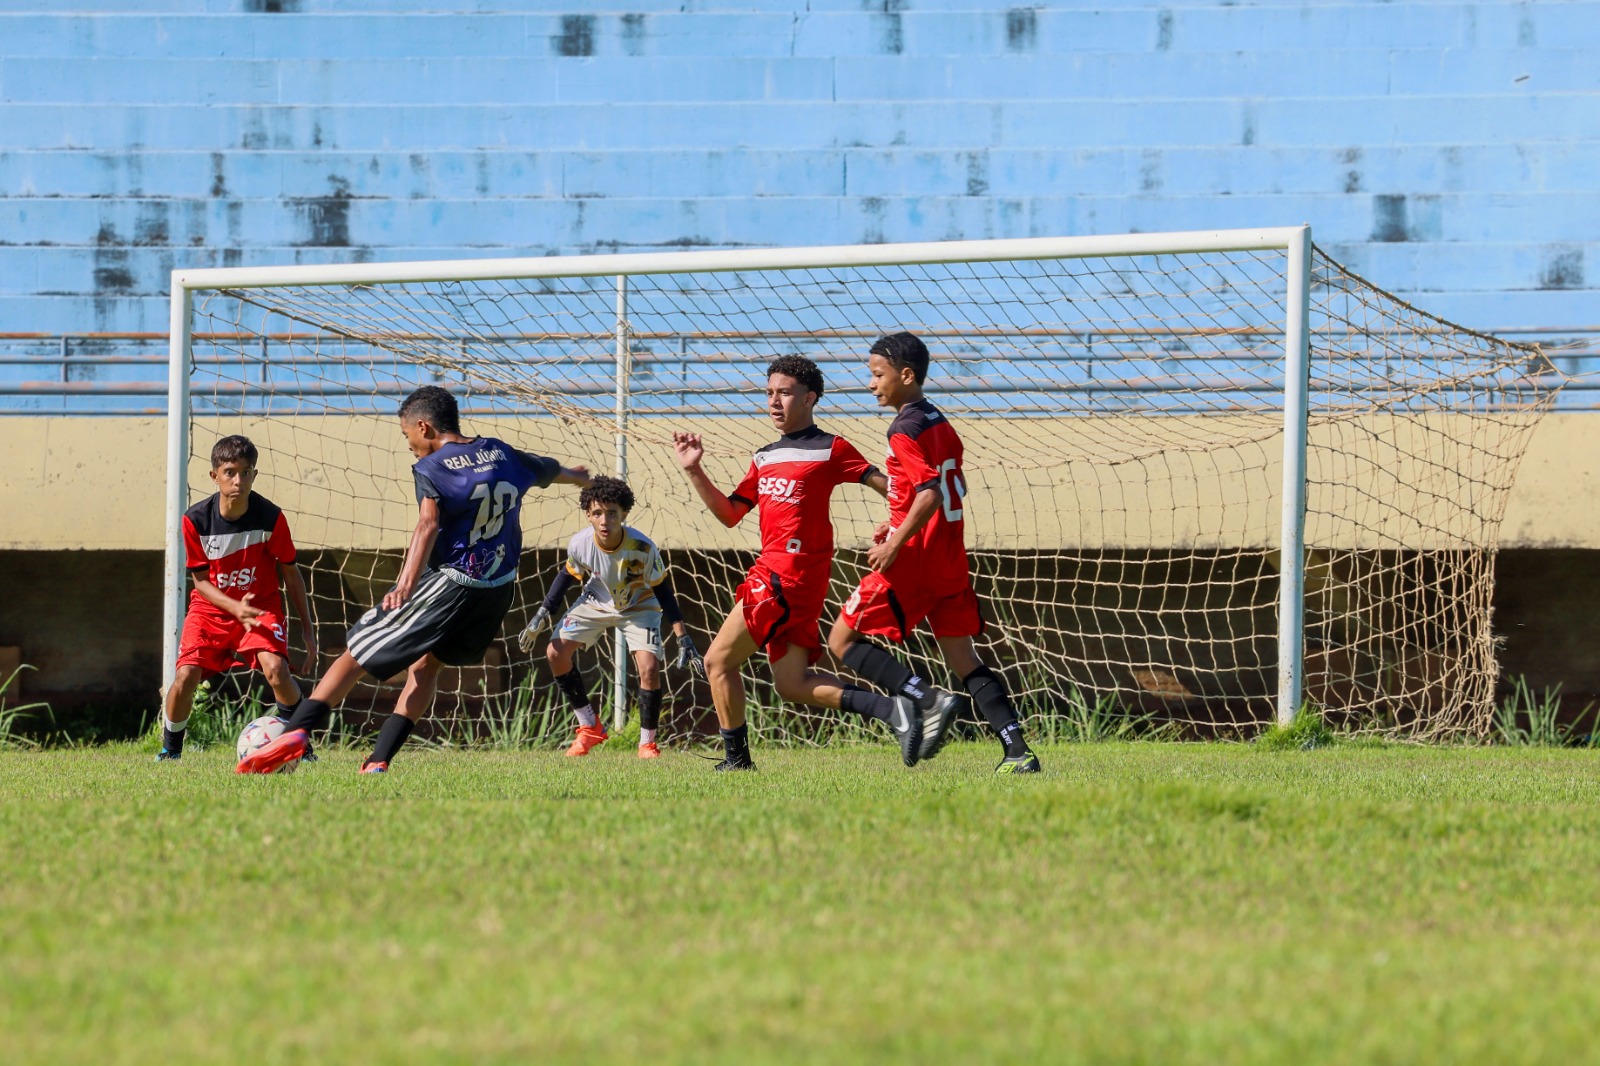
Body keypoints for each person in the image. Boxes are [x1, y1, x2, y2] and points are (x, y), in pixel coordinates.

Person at [236, 385, 590, 774]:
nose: (410, 446)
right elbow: (548, 469)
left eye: (408, 436)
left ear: (424, 426)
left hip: (455, 581)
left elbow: (428, 523)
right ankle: (377, 761)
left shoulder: (432, 467)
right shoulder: (502, 452)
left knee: (356, 649)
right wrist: (577, 477)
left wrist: (405, 584)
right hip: (498, 589)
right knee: (426, 668)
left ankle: (296, 733)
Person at [672, 354, 946, 771]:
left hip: (785, 574)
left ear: (810, 398)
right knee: (792, 684)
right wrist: (695, 471)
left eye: (784, 393)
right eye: (768, 394)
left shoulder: (831, 447)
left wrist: (897, 525)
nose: (774, 402)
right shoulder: (764, 456)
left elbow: (888, 487)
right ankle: (896, 712)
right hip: (791, 579)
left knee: (717, 661)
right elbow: (730, 514)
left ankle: (737, 761)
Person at [828, 331, 1042, 774]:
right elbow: (944, 488)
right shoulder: (939, 421)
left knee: (840, 640)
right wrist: (897, 518)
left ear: (906, 375)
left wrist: (894, 541)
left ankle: (927, 700)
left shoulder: (901, 428)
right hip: (949, 558)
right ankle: (1018, 752)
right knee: (965, 658)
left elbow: (928, 494)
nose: (871, 383)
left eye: (877, 374)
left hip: (915, 561)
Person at [517, 475, 703, 760]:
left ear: (624, 513)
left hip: (639, 605)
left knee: (649, 668)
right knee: (555, 653)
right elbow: (567, 576)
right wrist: (542, 613)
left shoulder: (643, 548)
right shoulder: (580, 544)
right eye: (597, 513)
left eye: (612, 513)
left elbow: (662, 590)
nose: (605, 521)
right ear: (588, 515)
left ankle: (647, 744)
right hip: (598, 600)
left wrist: (682, 634)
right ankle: (589, 726)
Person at [160, 434, 317, 761]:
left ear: (254, 475)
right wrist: (234, 608)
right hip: (210, 611)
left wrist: (308, 629)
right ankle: (170, 750)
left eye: (246, 472)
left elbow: (291, 573)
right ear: (214, 476)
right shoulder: (195, 520)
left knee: (276, 670)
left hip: (260, 608)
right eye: (230, 472)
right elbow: (201, 583)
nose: (238, 480)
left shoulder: (271, 518)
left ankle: (301, 743)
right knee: (186, 676)